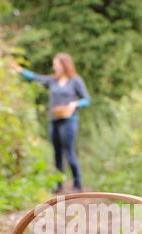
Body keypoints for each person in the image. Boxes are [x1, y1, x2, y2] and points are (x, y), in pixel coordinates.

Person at [13, 53, 91, 193]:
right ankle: (58, 184)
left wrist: (74, 104)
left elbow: (86, 99)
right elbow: (35, 78)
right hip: (55, 120)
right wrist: (20, 70)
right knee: (57, 153)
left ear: (64, 65)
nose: (54, 66)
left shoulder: (75, 81)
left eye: (56, 63)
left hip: (69, 121)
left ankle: (77, 183)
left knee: (69, 152)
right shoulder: (52, 81)